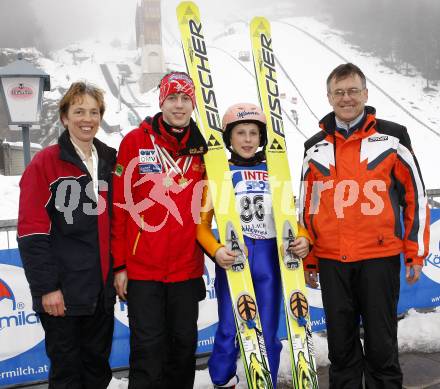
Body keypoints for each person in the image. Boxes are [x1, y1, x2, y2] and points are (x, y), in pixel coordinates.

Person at [299, 63, 430, 388]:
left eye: (353, 91)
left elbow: (415, 196)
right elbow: (307, 208)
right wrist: (310, 258)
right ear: (329, 97)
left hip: (378, 259)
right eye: (339, 92)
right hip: (332, 261)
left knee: (381, 346)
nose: (346, 98)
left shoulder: (392, 136)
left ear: (366, 94)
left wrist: (415, 253)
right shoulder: (313, 146)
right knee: (341, 350)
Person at [197, 103, 311, 388]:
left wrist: (305, 238)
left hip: (270, 260)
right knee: (227, 330)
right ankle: (223, 381)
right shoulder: (217, 174)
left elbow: (291, 219)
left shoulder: (275, 172)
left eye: (253, 133)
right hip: (234, 259)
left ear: (262, 138)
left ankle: (266, 382)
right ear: (229, 138)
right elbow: (200, 226)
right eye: (240, 133)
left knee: (268, 332)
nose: (247, 140)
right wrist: (215, 250)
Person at [111, 71, 208, 389]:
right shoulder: (135, 142)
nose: (179, 105)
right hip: (143, 271)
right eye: (172, 98)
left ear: (192, 104)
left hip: (186, 269)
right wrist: (120, 264)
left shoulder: (204, 149)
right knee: (148, 353)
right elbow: (120, 206)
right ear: (161, 101)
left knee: (182, 351)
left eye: (185, 99)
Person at [17, 81, 117, 388]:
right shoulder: (45, 163)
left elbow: (120, 222)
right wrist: (47, 288)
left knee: (97, 370)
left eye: (93, 111)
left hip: (100, 294)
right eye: (78, 111)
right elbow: (32, 231)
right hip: (63, 295)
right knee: (68, 374)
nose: (87, 119)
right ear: (64, 117)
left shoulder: (111, 160)